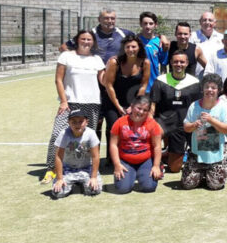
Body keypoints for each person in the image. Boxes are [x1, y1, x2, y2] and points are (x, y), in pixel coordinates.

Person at [43, 30, 106, 184]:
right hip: (70, 103)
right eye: (83, 39)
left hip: (92, 104)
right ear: (77, 41)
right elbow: (58, 79)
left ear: (93, 42)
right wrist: (64, 101)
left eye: (89, 39)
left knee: (87, 139)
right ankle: (51, 169)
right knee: (57, 134)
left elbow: (103, 80)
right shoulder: (66, 56)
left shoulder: (97, 59)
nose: (86, 42)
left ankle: (87, 168)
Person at [150, 51, 202, 173]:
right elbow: (153, 104)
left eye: (182, 62)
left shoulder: (194, 82)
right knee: (152, 133)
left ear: (187, 63)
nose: (179, 64)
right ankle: (157, 158)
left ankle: (173, 153)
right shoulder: (160, 80)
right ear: (171, 63)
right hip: (165, 123)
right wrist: (151, 123)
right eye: (176, 62)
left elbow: (199, 106)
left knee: (174, 168)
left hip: (185, 125)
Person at [101, 35, 150, 163]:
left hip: (133, 101)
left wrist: (133, 105)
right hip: (113, 100)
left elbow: (144, 85)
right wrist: (118, 106)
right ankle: (111, 158)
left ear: (139, 47)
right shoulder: (114, 62)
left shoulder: (145, 63)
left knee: (130, 129)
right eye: (127, 47)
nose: (130, 49)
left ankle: (127, 156)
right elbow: (109, 85)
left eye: (133, 46)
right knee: (113, 127)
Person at [181, 73, 227, 191]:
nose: (210, 90)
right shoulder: (194, 106)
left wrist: (211, 120)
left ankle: (208, 173)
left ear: (219, 90)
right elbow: (186, 127)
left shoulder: (224, 106)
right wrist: (194, 125)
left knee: (215, 185)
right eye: (207, 87)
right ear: (202, 89)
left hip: (218, 149)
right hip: (198, 150)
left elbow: (226, 129)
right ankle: (202, 172)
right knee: (188, 184)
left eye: (213, 88)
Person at [109, 96, 163, 194]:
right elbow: (113, 145)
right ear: (132, 106)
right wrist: (117, 164)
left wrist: (156, 166)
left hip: (145, 159)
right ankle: (131, 175)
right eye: (139, 108)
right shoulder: (120, 122)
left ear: (149, 111)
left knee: (149, 187)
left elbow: (157, 146)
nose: (141, 112)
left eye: (145, 110)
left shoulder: (153, 124)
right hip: (125, 160)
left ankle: (143, 173)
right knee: (122, 189)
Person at [51, 109, 102, 198]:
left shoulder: (91, 133)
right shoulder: (64, 134)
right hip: (68, 169)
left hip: (86, 168)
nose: (77, 124)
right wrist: (59, 178)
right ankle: (73, 184)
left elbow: (95, 156)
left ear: (86, 122)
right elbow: (58, 157)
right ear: (68, 122)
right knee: (58, 193)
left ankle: (80, 183)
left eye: (81, 121)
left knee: (94, 190)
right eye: (73, 122)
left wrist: (93, 177)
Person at [59, 8, 134, 62]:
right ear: (99, 19)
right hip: (94, 74)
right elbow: (63, 48)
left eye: (112, 18)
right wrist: (79, 57)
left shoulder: (125, 33)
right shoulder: (89, 34)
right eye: (106, 18)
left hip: (118, 74)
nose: (110, 21)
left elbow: (138, 47)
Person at [136, 11, 168, 93]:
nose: (148, 26)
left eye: (151, 23)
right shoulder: (135, 41)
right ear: (140, 24)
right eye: (145, 23)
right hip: (136, 86)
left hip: (153, 85)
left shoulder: (160, 42)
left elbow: (163, 65)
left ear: (155, 25)